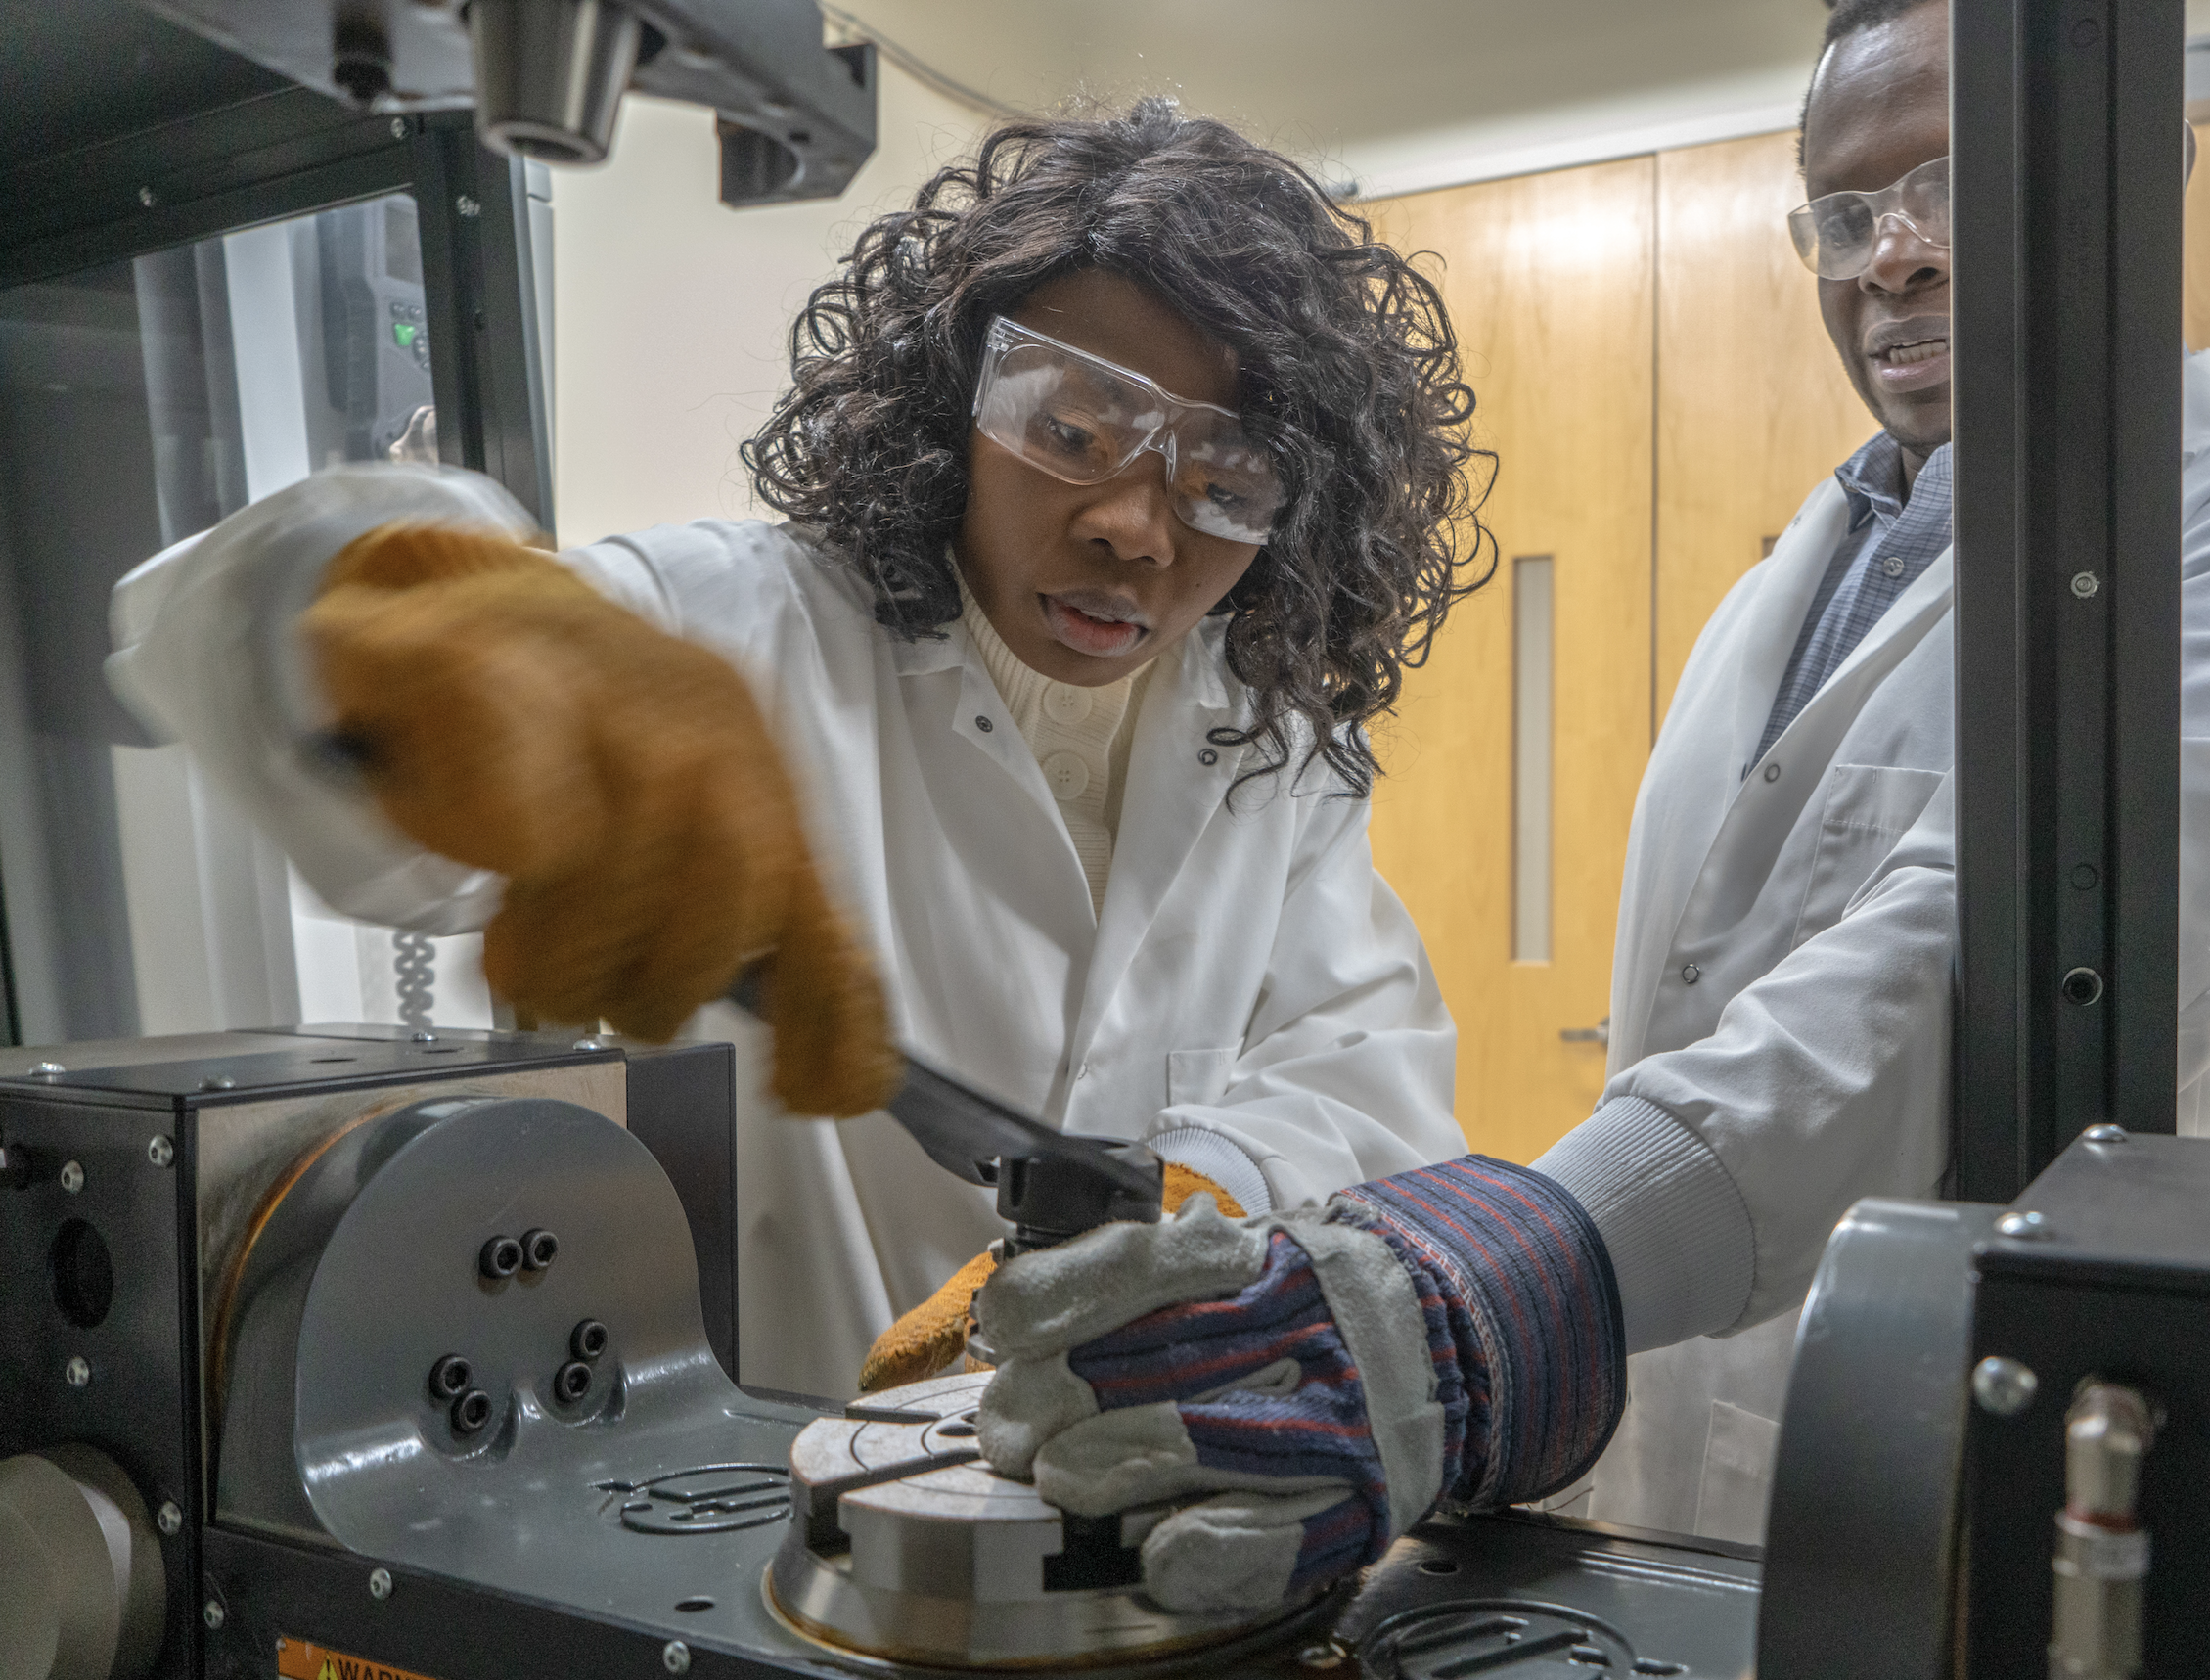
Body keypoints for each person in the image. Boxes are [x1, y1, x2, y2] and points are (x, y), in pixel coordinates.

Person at [960, 0, 2210, 1609]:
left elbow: (1955, 977)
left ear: (2131, 167)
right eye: (1842, 211)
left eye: (1949, 187)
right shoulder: (1790, 579)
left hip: (2028, 1488)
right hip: (1682, 1464)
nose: (1888, 258)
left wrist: (1501, 1279)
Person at [103, 102, 1490, 1397]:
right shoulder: (737, 624)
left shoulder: (1274, 753)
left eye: (1225, 482)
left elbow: (1360, 1072)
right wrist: (401, 610)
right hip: (770, 1517)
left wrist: (1199, 1195)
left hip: (1146, 1490)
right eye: (1070, 429)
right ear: (957, 403)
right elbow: (225, 625)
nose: (1134, 522)